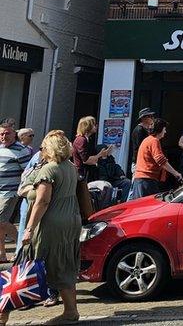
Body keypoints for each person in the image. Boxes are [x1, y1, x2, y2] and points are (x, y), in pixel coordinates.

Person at [5, 131, 83, 325]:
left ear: (50, 148)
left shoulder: (49, 170)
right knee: (64, 265)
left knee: (26, 265)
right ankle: (71, 311)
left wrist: (29, 228)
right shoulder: (71, 167)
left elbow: (42, 201)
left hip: (51, 224)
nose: (42, 150)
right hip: (71, 220)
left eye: (44, 147)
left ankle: (3, 312)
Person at [129, 119, 183, 200]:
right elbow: (161, 160)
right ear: (160, 129)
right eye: (164, 129)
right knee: (147, 208)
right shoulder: (154, 141)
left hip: (143, 180)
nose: (165, 132)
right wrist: (176, 173)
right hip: (146, 180)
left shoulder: (148, 139)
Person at [0, 124, 30, 263]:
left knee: (1, 221)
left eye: (7, 134)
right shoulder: (1, 148)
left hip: (10, 192)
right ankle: (2, 254)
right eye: (1, 134)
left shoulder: (21, 150)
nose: (3, 136)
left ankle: (23, 244)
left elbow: (28, 173)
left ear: (14, 134)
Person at [71, 116, 109, 184]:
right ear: (87, 126)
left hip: (88, 173)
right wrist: (100, 154)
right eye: (94, 124)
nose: (96, 126)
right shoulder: (81, 140)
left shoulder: (88, 139)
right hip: (82, 174)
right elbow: (86, 160)